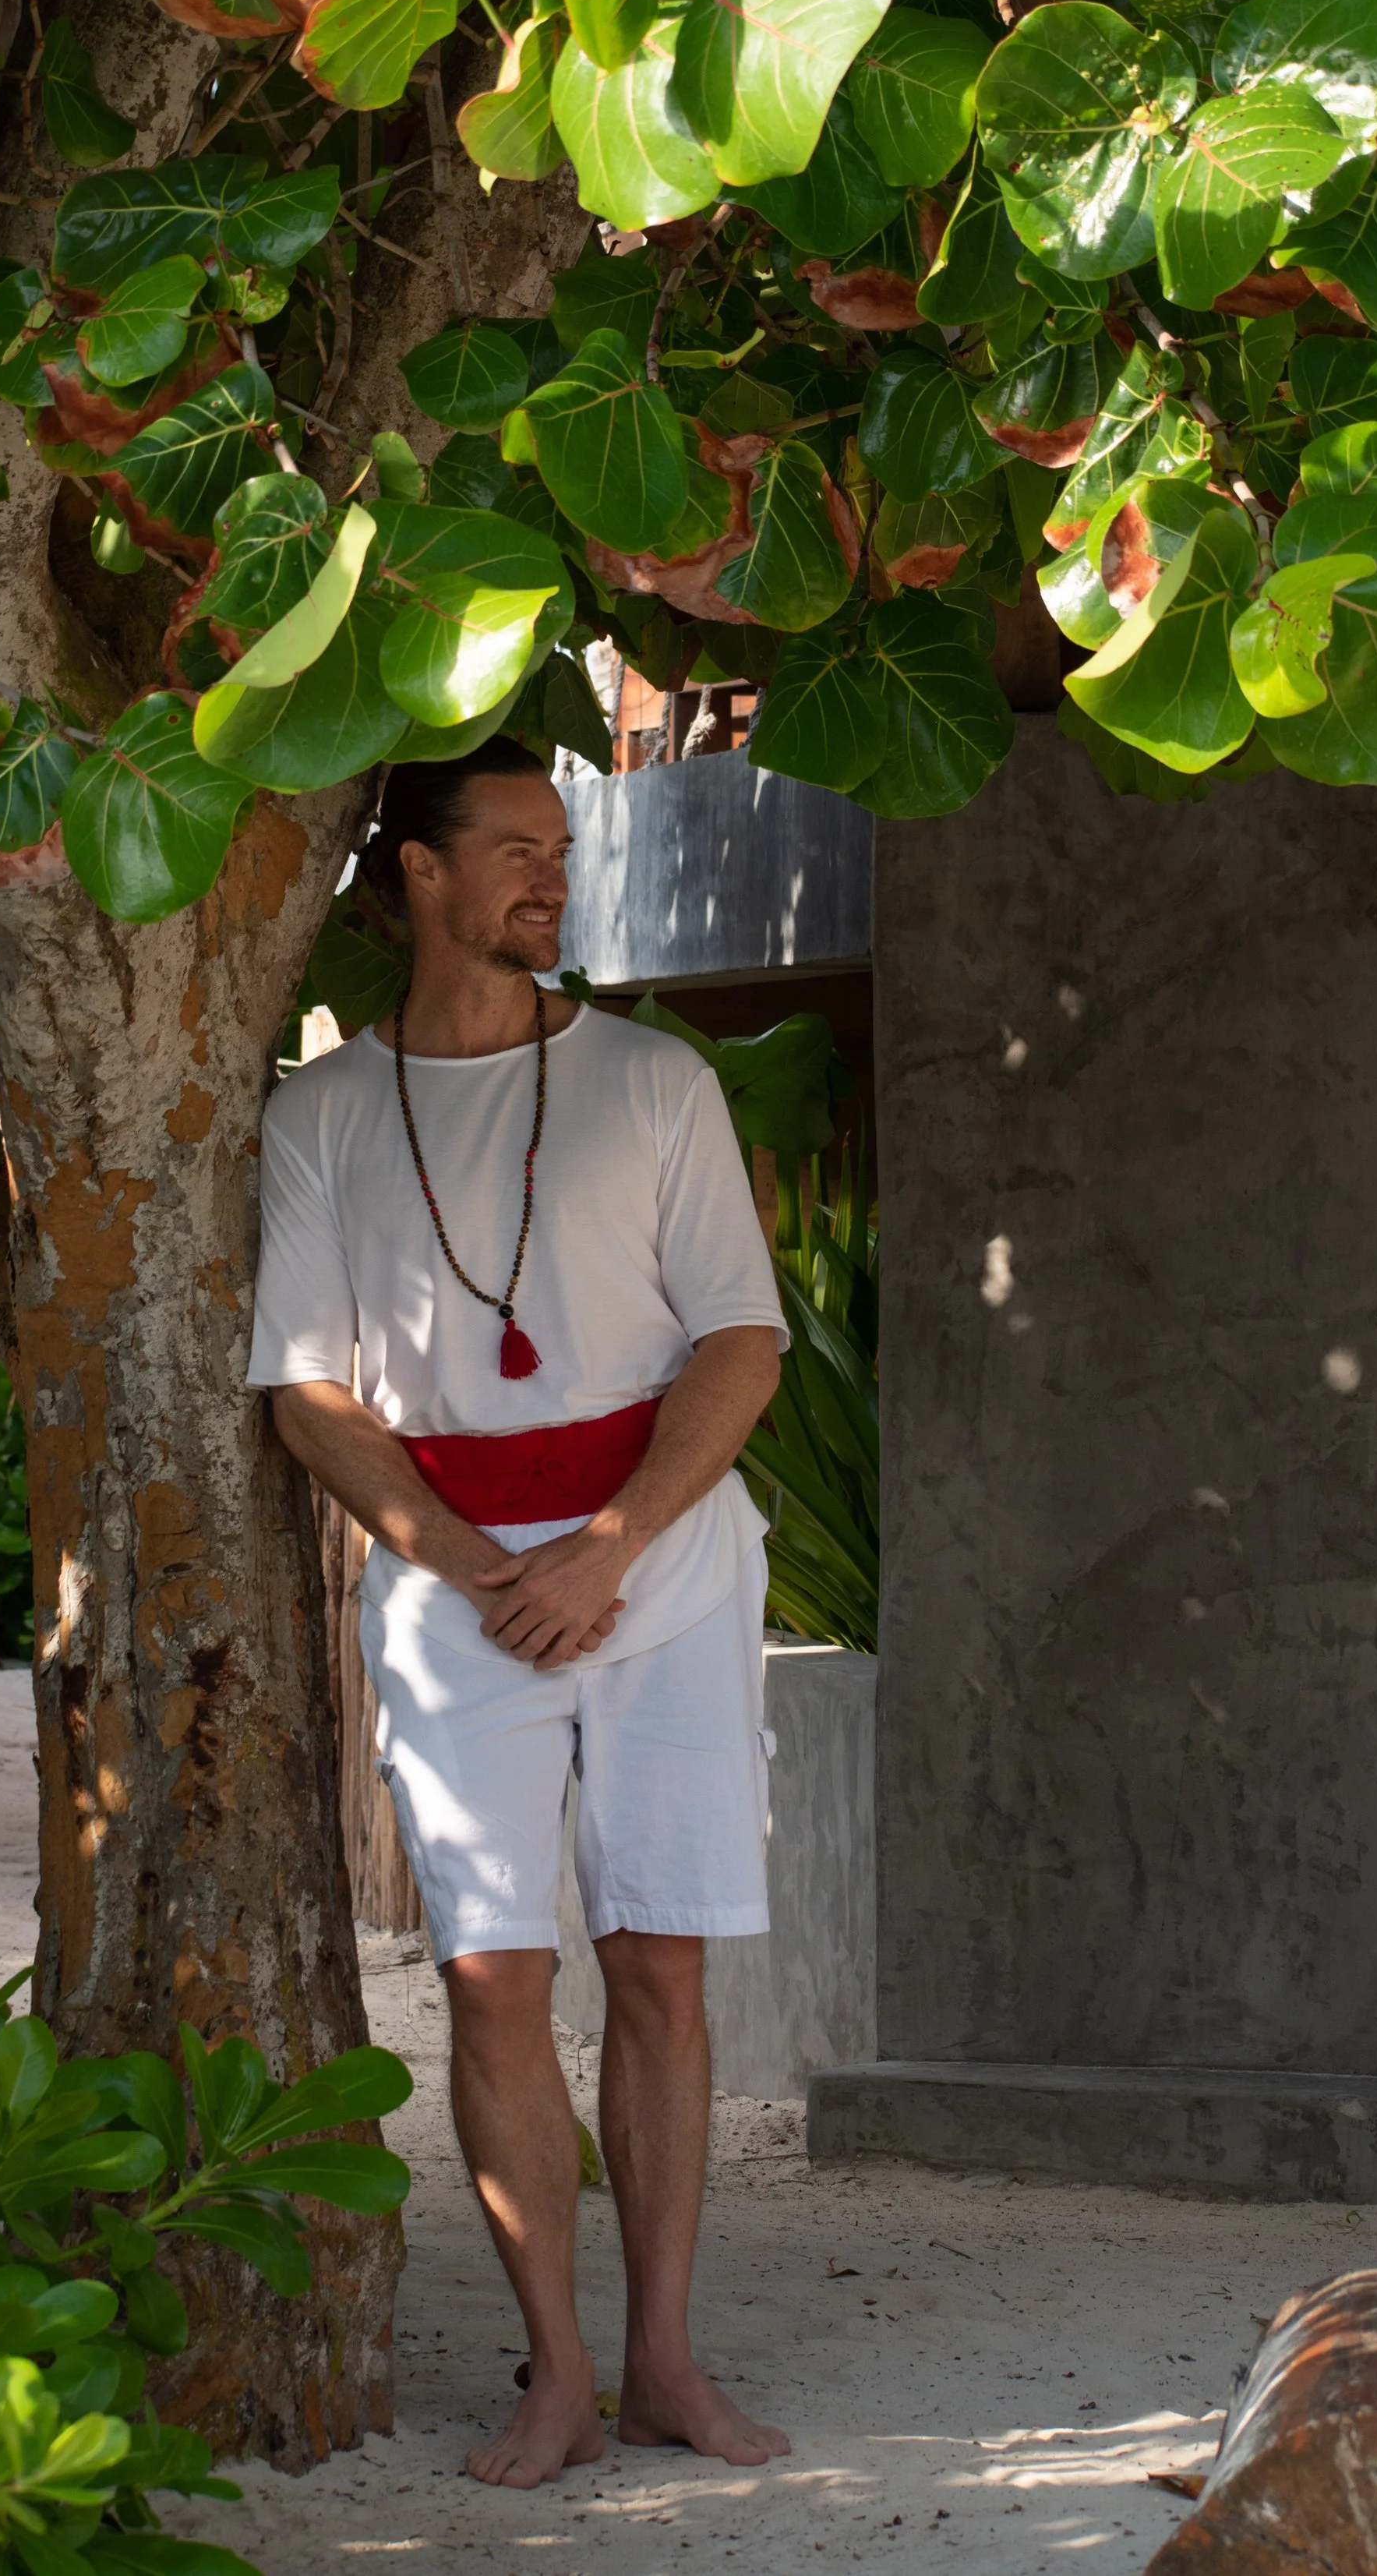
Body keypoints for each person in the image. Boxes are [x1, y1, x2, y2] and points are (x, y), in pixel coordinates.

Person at [248, 735, 792, 2491]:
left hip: (663, 1563)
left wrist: (607, 1543)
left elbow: (739, 1341)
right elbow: (310, 1394)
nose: (546, 877)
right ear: (412, 868)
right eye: (510, 847)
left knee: (657, 1962)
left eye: (558, 848)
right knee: (491, 1981)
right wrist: (474, 1564)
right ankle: (553, 2374)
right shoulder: (323, 1113)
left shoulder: (652, 1083)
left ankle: (660, 2365)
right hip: (451, 1589)